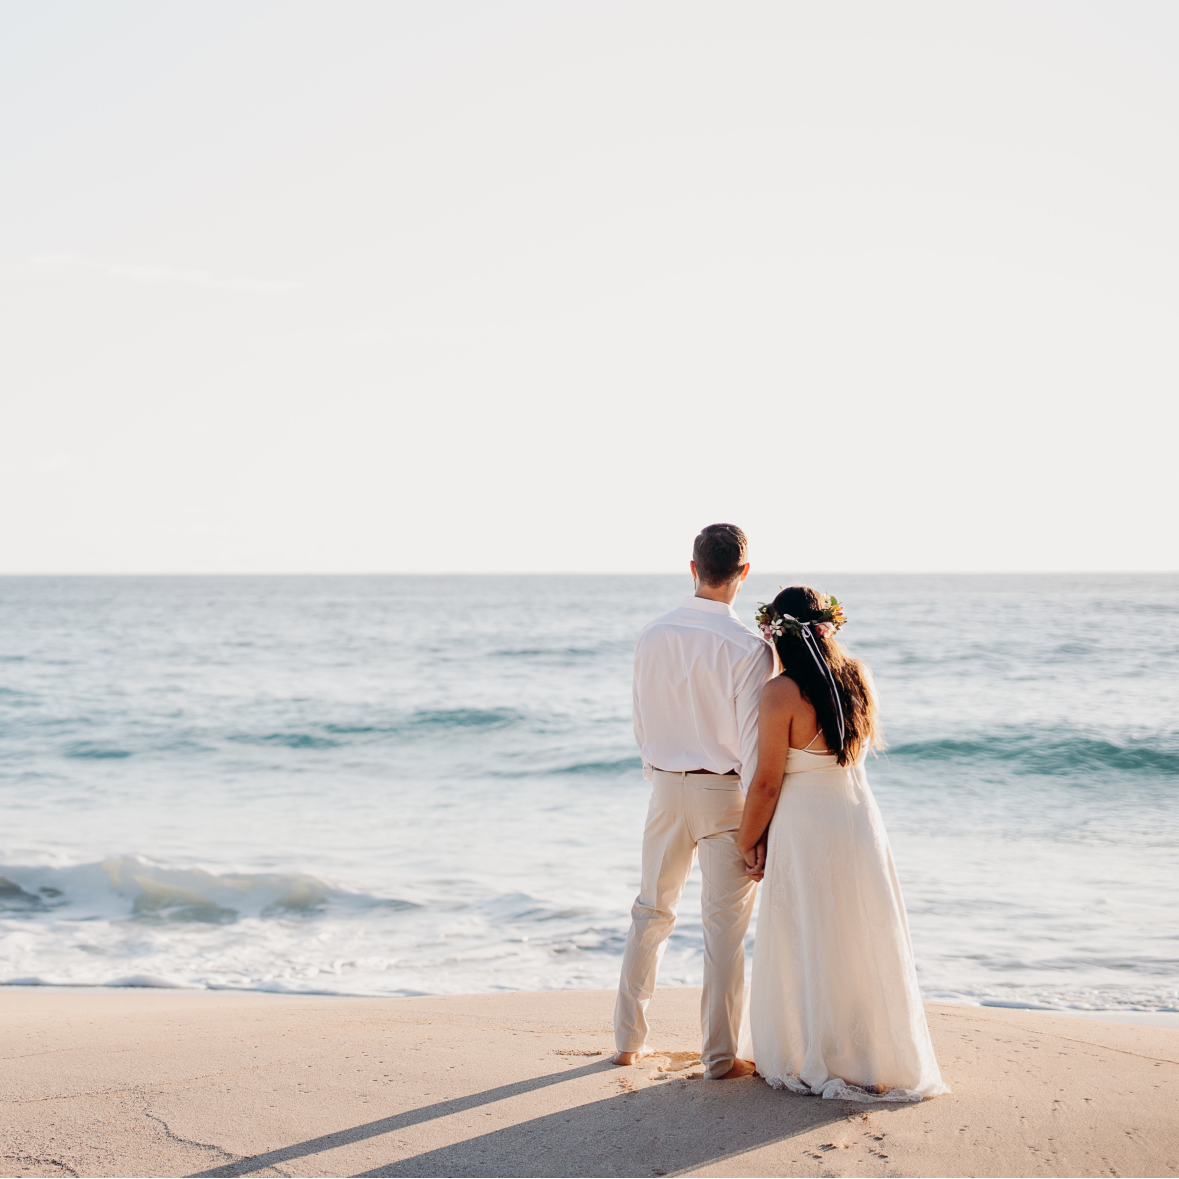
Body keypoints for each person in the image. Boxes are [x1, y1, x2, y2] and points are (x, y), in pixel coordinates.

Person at [736, 586, 949, 1101]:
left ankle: (813, 1049)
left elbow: (766, 783)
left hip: (805, 824)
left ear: (777, 634)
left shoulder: (780, 692)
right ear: (827, 628)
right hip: (857, 818)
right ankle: (870, 1056)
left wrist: (747, 840)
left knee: (808, 933)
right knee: (857, 931)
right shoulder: (859, 678)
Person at [613, 523, 774, 1080]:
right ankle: (720, 1057)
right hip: (723, 794)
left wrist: (660, 774)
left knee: (650, 911)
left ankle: (627, 1042)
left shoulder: (652, 634)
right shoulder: (749, 648)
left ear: (693, 567)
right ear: (744, 571)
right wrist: (759, 829)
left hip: (664, 787)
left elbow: (640, 719)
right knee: (723, 929)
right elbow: (753, 750)